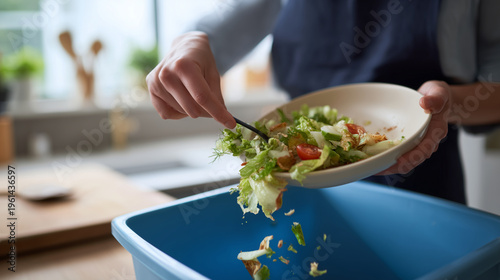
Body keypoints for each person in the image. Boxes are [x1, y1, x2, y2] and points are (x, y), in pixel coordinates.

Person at [146, 0, 500, 204]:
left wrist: (447, 103)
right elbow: (218, 28)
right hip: (302, 190)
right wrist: (188, 45)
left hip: (424, 190)